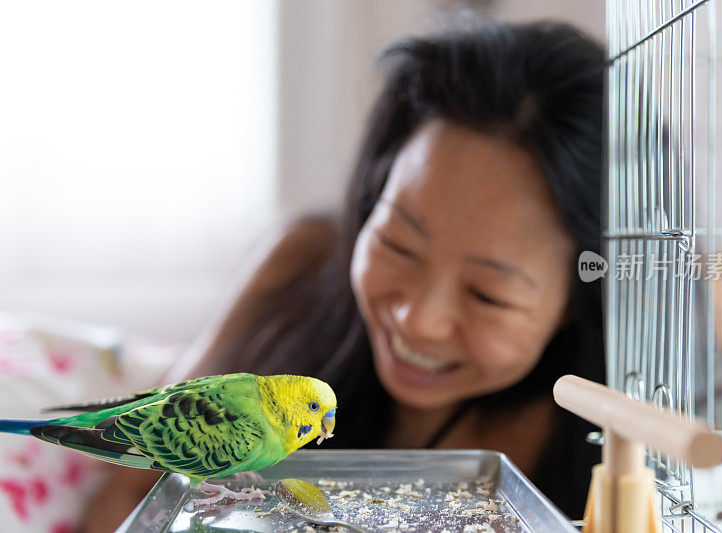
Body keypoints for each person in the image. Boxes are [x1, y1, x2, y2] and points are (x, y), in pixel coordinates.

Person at [82, 19, 605, 531]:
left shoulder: (575, 443)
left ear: (574, 305)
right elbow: (135, 484)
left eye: (487, 295)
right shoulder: (300, 261)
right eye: (397, 244)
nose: (416, 319)